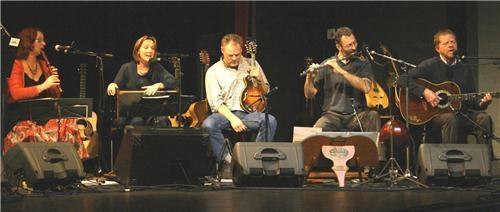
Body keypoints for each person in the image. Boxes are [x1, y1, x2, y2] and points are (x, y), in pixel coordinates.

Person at [3, 27, 89, 159]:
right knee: (32, 132)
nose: (44, 44)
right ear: (29, 43)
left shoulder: (43, 64)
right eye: (40, 40)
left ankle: (72, 166)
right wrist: (43, 86)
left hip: (41, 116)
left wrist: (55, 84)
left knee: (69, 123)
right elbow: (15, 94)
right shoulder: (16, 64)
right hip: (21, 118)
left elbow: (55, 96)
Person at [397, 28, 493, 144]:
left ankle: (486, 159)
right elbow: (402, 79)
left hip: (460, 115)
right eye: (446, 43)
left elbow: (471, 100)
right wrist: (424, 92)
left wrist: (483, 103)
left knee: (484, 118)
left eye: (453, 42)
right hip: (435, 117)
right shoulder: (430, 65)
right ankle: (450, 157)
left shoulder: (464, 68)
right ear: (438, 48)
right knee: (450, 118)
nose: (450, 45)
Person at [202, 33, 277, 162]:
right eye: (231, 55)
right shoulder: (213, 71)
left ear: (241, 50)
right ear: (222, 50)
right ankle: (229, 161)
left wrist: (259, 78)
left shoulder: (252, 64)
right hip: (225, 113)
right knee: (209, 124)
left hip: (248, 114)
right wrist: (233, 119)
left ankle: (254, 160)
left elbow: (266, 91)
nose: (235, 58)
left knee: (270, 121)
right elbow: (216, 103)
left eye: (237, 54)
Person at [304, 27, 381, 132]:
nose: (354, 47)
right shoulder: (327, 64)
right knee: (317, 130)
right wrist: (309, 79)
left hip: (356, 115)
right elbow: (309, 95)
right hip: (332, 116)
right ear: (339, 47)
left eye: (355, 43)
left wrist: (341, 71)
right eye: (349, 45)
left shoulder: (362, 63)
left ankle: (372, 148)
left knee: (373, 116)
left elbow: (366, 87)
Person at [107, 35, 178, 128]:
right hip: (131, 114)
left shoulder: (156, 67)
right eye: (146, 47)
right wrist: (112, 85)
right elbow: (116, 85)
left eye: (152, 48)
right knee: (137, 121)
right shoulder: (127, 67)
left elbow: (173, 81)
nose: (150, 51)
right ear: (137, 51)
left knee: (163, 121)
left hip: (152, 113)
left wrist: (158, 85)